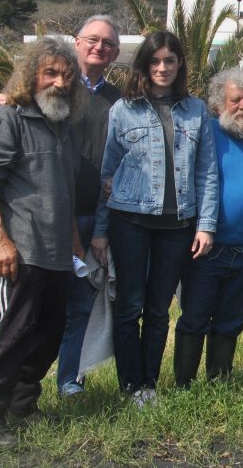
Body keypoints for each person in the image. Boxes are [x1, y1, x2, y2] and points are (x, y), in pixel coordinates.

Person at [0, 16, 123, 397]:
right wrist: (1, 101)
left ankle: (66, 381)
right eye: (92, 39)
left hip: (92, 216)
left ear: (115, 54)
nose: (99, 47)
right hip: (37, 222)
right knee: (21, 315)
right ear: (77, 42)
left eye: (108, 44)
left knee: (71, 309)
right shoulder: (39, 97)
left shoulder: (117, 101)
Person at [0, 37, 86, 448]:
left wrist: (74, 245)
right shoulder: (8, 118)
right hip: (17, 252)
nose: (58, 82)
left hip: (55, 256)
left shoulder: (62, 128)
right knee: (8, 334)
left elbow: (64, 192)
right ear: (30, 75)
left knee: (48, 335)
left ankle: (21, 405)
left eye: (67, 76)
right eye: (49, 72)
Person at [93, 31, 219, 407]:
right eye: (155, 61)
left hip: (178, 226)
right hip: (129, 220)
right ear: (144, 65)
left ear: (180, 64)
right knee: (130, 304)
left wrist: (206, 225)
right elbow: (106, 174)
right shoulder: (123, 110)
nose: (162, 68)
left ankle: (149, 383)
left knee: (159, 309)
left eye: (170, 60)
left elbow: (207, 172)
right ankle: (130, 386)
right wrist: (100, 231)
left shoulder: (196, 111)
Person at [173, 69, 243, 387]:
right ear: (217, 104)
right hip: (207, 248)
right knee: (195, 319)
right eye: (235, 99)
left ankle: (218, 383)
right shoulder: (205, 133)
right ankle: (184, 385)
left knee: (231, 320)